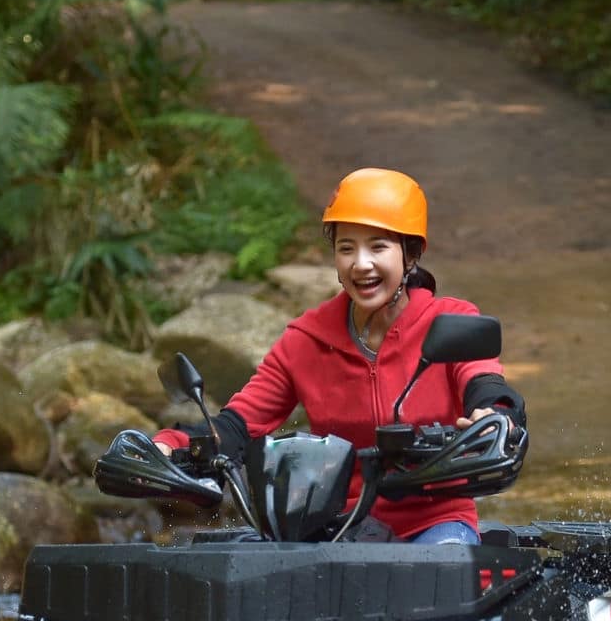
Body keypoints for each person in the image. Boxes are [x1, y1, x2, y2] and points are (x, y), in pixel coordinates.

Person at [151, 168, 524, 544]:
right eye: (346, 248)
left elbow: (485, 384)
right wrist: (170, 445)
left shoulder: (448, 322)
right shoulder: (306, 339)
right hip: (339, 530)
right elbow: (238, 425)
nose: (360, 264)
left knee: (441, 574)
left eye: (378, 247)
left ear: (411, 253)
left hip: (434, 524)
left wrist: (495, 415)